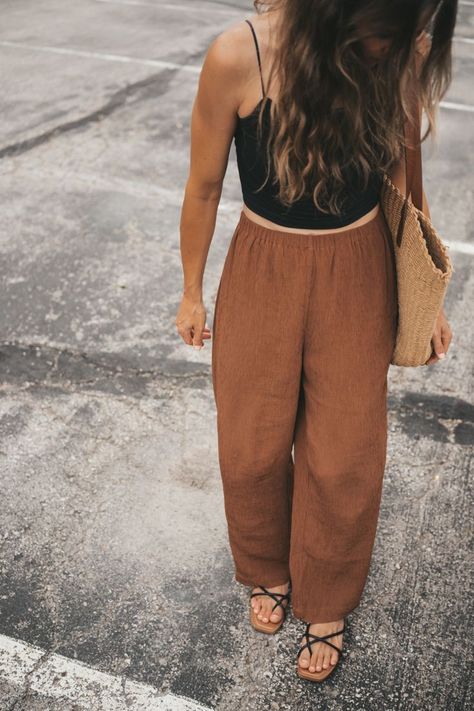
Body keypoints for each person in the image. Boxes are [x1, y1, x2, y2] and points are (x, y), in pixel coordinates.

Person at [175, 0, 455, 683]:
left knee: (344, 452)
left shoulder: (396, 51)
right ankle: (266, 565)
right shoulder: (238, 54)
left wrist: (423, 292)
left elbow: (401, 179)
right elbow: (205, 184)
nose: (399, 43)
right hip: (263, 264)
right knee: (251, 441)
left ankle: (325, 596)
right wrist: (190, 289)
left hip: (357, 269)